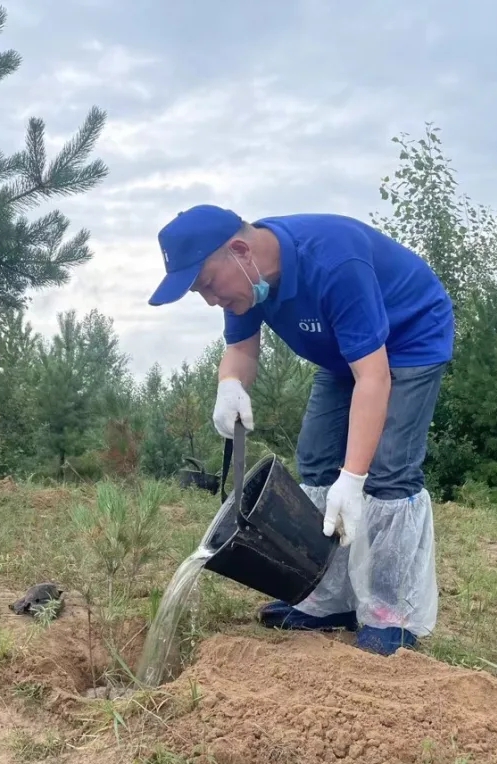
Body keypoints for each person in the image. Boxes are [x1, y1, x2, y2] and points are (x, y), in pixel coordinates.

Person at [147, 204, 454, 656]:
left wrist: (353, 480)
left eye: (208, 284)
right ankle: (328, 599)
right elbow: (242, 350)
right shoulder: (250, 284)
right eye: (199, 292)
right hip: (342, 351)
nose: (210, 300)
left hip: (409, 339)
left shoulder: (332, 262)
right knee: (314, 459)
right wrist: (229, 384)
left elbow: (373, 378)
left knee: (387, 469)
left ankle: (392, 612)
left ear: (238, 251)